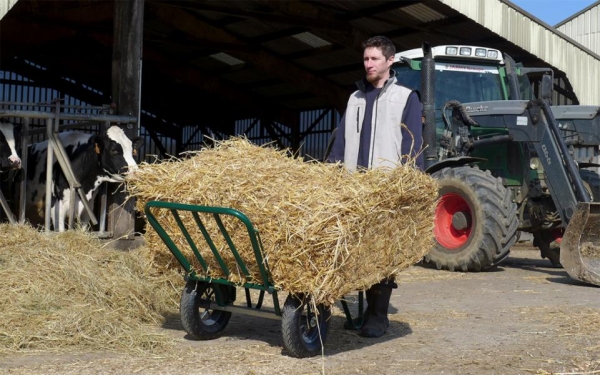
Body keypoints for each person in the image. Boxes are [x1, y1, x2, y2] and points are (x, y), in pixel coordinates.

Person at [327, 35, 424, 338]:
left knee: (381, 253)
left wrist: (409, 183)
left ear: (389, 61)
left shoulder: (406, 97)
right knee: (353, 251)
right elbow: (341, 141)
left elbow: (412, 143)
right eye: (366, 59)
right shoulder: (354, 98)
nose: (368, 64)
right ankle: (361, 311)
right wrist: (331, 173)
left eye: (374, 59)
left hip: (386, 188)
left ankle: (378, 316)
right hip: (354, 187)